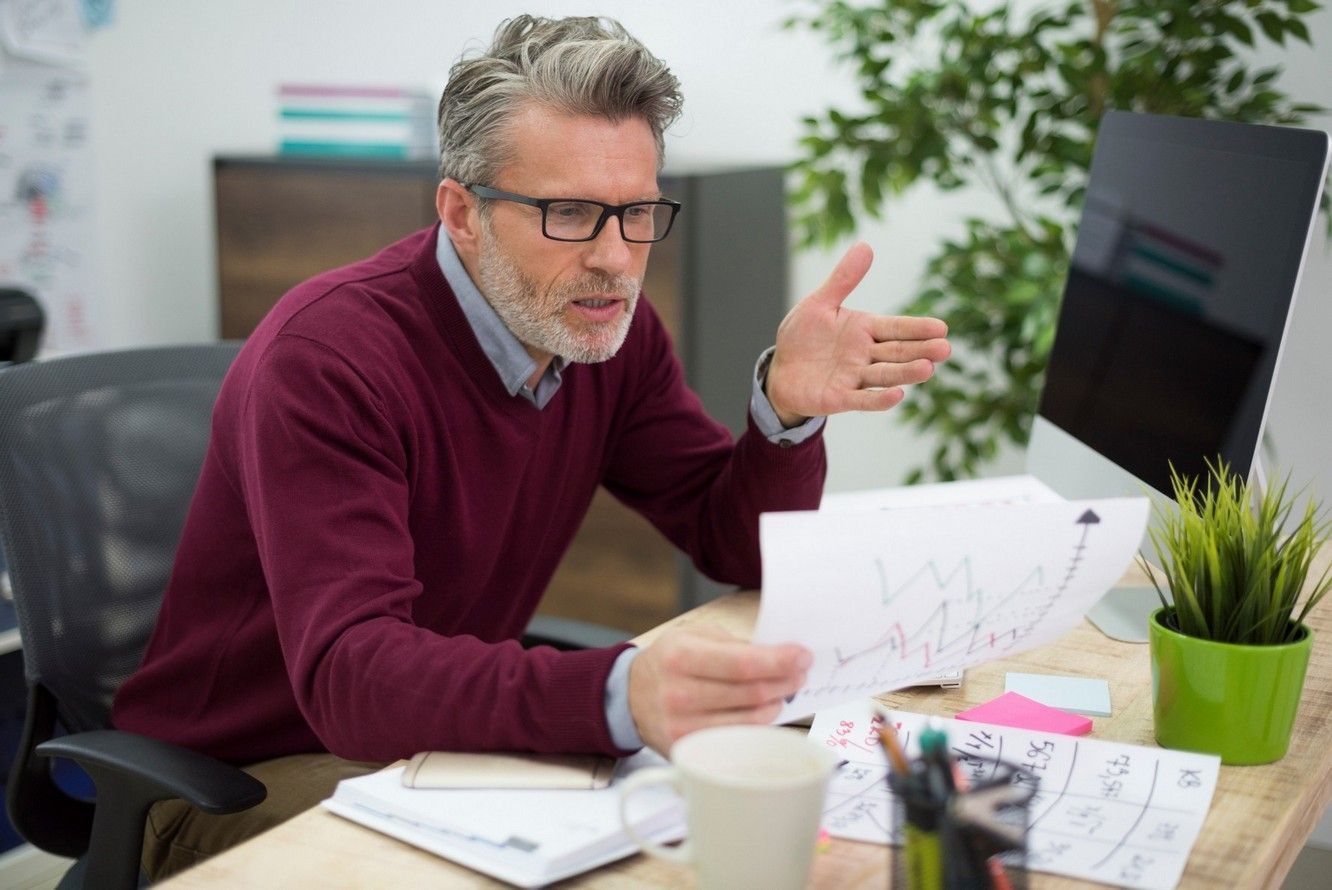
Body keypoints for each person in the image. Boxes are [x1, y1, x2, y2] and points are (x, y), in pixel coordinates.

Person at [112, 14, 950, 879]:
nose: (616, 260)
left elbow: (728, 537)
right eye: (571, 214)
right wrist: (620, 689)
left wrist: (783, 413)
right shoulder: (329, 362)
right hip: (238, 773)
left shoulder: (601, 333)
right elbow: (351, 677)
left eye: (635, 214)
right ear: (462, 212)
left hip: (425, 744)